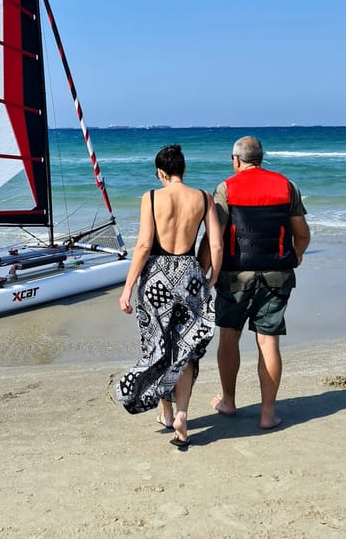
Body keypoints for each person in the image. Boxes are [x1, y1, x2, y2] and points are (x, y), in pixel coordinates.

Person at [115, 144, 223, 449]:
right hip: (189, 275)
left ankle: (165, 411)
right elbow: (215, 247)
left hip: (156, 279)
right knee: (185, 347)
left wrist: (126, 289)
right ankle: (182, 415)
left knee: (158, 344)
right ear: (183, 170)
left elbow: (143, 246)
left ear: (161, 173)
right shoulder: (203, 198)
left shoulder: (151, 198)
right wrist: (210, 279)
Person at [205, 135, 311, 430]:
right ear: (261, 158)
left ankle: (228, 401)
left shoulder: (226, 188)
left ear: (236, 160)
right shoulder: (286, 186)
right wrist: (297, 256)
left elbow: (215, 237)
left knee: (228, 337)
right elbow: (302, 233)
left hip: (235, 277)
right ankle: (267, 414)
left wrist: (206, 271)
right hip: (277, 276)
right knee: (268, 342)